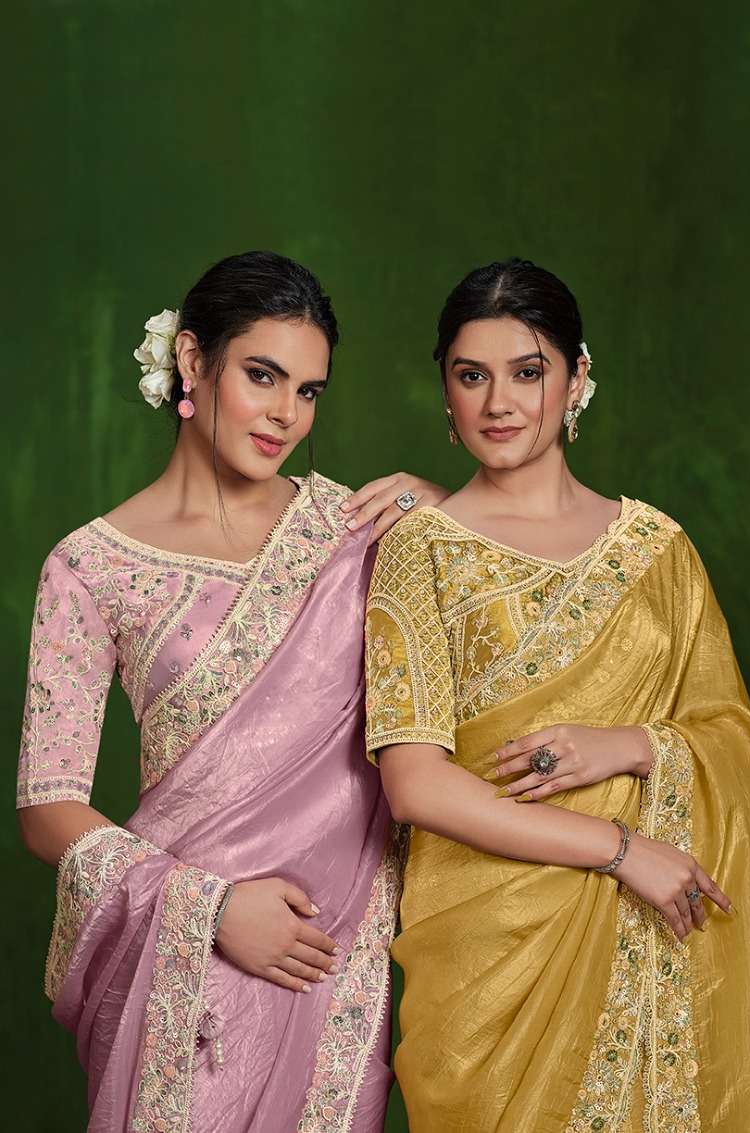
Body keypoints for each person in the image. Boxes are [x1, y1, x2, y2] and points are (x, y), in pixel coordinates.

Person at [365, 258, 750, 1131]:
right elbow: (414, 784)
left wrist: (634, 745)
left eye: (527, 372)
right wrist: (620, 849)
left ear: (576, 379)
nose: (499, 402)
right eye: (471, 376)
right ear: (445, 391)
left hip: (656, 931)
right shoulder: (421, 547)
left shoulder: (659, 549)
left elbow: (731, 734)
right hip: (491, 960)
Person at [15, 250, 447, 1130]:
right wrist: (209, 909)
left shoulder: (361, 532)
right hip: (180, 966)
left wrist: (453, 519)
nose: (287, 413)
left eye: (309, 390)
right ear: (192, 359)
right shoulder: (91, 566)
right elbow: (46, 805)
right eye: (262, 375)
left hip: (332, 959)